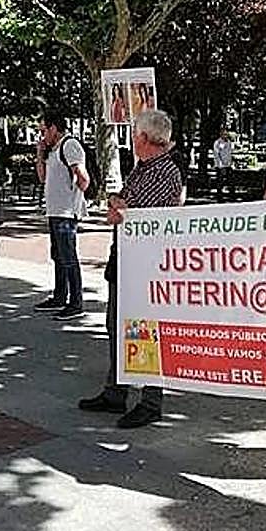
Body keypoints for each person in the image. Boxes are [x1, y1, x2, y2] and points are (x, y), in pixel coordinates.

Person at [79, 110, 183, 429]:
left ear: (143, 138)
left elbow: (137, 216)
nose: (132, 138)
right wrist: (120, 206)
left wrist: (120, 208)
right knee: (118, 327)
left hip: (147, 266)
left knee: (145, 330)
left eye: (135, 133)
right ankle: (116, 390)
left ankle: (151, 401)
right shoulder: (145, 167)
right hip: (126, 259)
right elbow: (125, 208)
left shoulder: (165, 171)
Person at [34, 110, 90, 320]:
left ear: (53, 128)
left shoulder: (70, 145)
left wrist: (75, 197)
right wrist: (40, 154)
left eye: (43, 131)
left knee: (68, 257)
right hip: (55, 210)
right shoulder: (53, 149)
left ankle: (75, 302)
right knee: (58, 256)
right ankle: (60, 296)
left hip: (66, 212)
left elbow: (83, 178)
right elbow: (42, 178)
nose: (42, 136)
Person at [212, 128, 234, 202]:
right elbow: (216, 154)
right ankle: (219, 196)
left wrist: (231, 163)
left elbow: (230, 153)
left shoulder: (229, 142)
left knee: (230, 180)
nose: (225, 135)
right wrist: (220, 164)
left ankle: (231, 195)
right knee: (220, 181)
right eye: (224, 134)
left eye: (226, 134)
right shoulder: (217, 143)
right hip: (220, 165)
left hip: (228, 164)